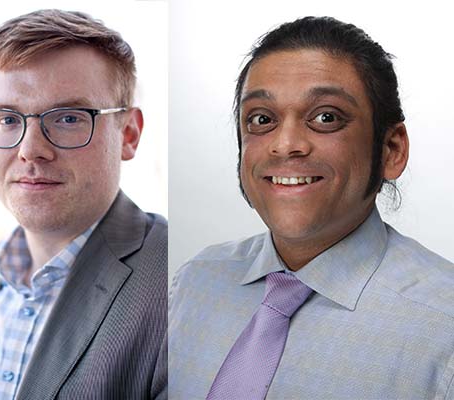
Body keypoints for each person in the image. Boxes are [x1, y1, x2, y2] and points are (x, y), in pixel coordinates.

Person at [168, 16, 454, 399]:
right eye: (262, 119)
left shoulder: (443, 328)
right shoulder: (193, 284)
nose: (285, 145)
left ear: (391, 150)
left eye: (326, 117)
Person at [0, 9, 167, 400]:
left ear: (129, 134)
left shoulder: (176, 284)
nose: (31, 150)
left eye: (67, 118)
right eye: (8, 119)